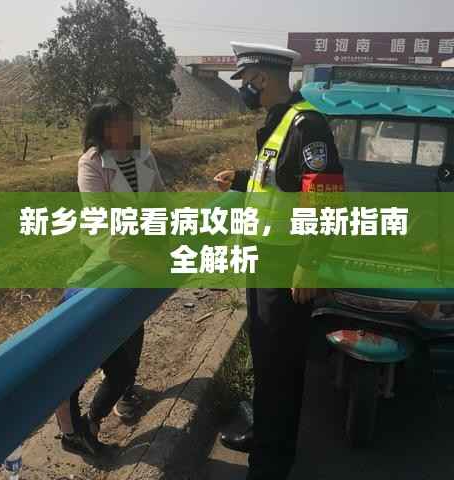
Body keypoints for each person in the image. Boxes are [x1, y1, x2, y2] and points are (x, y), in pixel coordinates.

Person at [214, 42, 345, 480]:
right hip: (263, 260)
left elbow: (326, 201)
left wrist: (311, 263)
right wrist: (239, 179)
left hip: (287, 267)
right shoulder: (279, 122)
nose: (244, 90)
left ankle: (271, 463)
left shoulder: (308, 126)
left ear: (262, 78)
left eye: (246, 81)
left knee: (280, 366)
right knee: (266, 358)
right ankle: (265, 434)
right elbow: (277, 183)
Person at [55, 97, 166, 458]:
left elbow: (161, 200)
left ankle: (109, 402)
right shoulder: (91, 162)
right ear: (103, 129)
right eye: (120, 122)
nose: (129, 128)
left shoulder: (143, 155)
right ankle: (72, 429)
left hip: (140, 255)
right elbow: (103, 223)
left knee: (130, 339)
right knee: (85, 344)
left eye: (131, 120)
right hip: (106, 259)